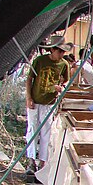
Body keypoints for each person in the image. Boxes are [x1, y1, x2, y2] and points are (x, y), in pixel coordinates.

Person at [25, 36, 70, 168]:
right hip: (35, 99)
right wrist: (28, 97)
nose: (62, 55)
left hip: (49, 102)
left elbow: (66, 81)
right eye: (60, 52)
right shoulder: (40, 61)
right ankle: (31, 159)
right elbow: (29, 79)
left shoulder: (64, 65)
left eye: (63, 52)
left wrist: (61, 87)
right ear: (52, 50)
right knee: (32, 129)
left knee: (46, 131)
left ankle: (42, 161)